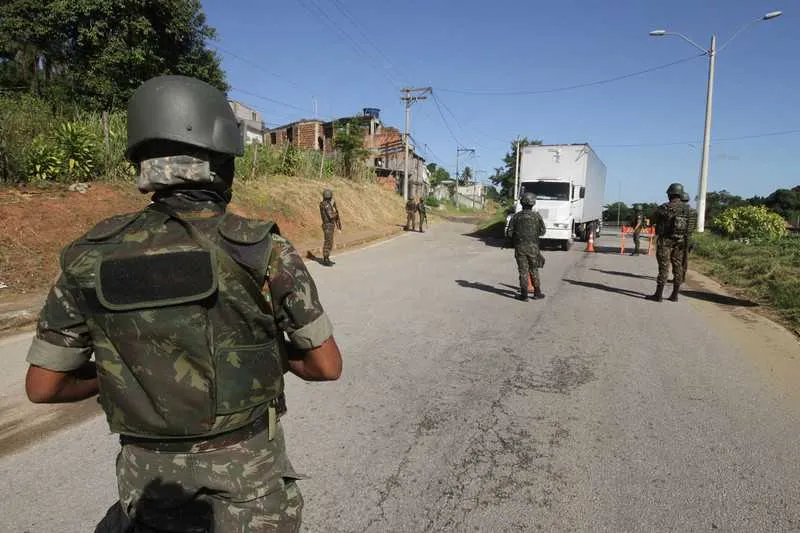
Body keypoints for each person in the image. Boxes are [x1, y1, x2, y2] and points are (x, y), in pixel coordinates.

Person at [23, 75, 343, 533]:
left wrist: (120, 376)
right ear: (220, 162)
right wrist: (269, 357)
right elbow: (326, 366)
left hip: (147, 485)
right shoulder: (263, 249)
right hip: (249, 484)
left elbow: (43, 387)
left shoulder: (87, 255)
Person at [647, 182, 692, 302]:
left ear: (670, 194)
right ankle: (675, 295)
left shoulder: (664, 207)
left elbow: (651, 220)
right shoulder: (688, 209)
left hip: (665, 240)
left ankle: (658, 295)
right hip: (681, 241)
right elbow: (690, 227)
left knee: (664, 267)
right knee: (678, 267)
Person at [506, 192, 546, 301]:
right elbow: (543, 232)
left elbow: (509, 233)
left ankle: (524, 295)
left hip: (520, 247)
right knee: (534, 269)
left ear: (521, 202)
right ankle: (537, 293)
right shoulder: (537, 216)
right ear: (533, 203)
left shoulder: (516, 217)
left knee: (523, 270)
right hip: (534, 247)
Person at [320, 188, 342, 266]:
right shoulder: (325, 204)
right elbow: (331, 216)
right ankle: (325, 259)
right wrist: (336, 211)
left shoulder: (327, 204)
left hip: (329, 225)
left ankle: (327, 258)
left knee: (330, 242)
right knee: (328, 242)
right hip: (327, 225)